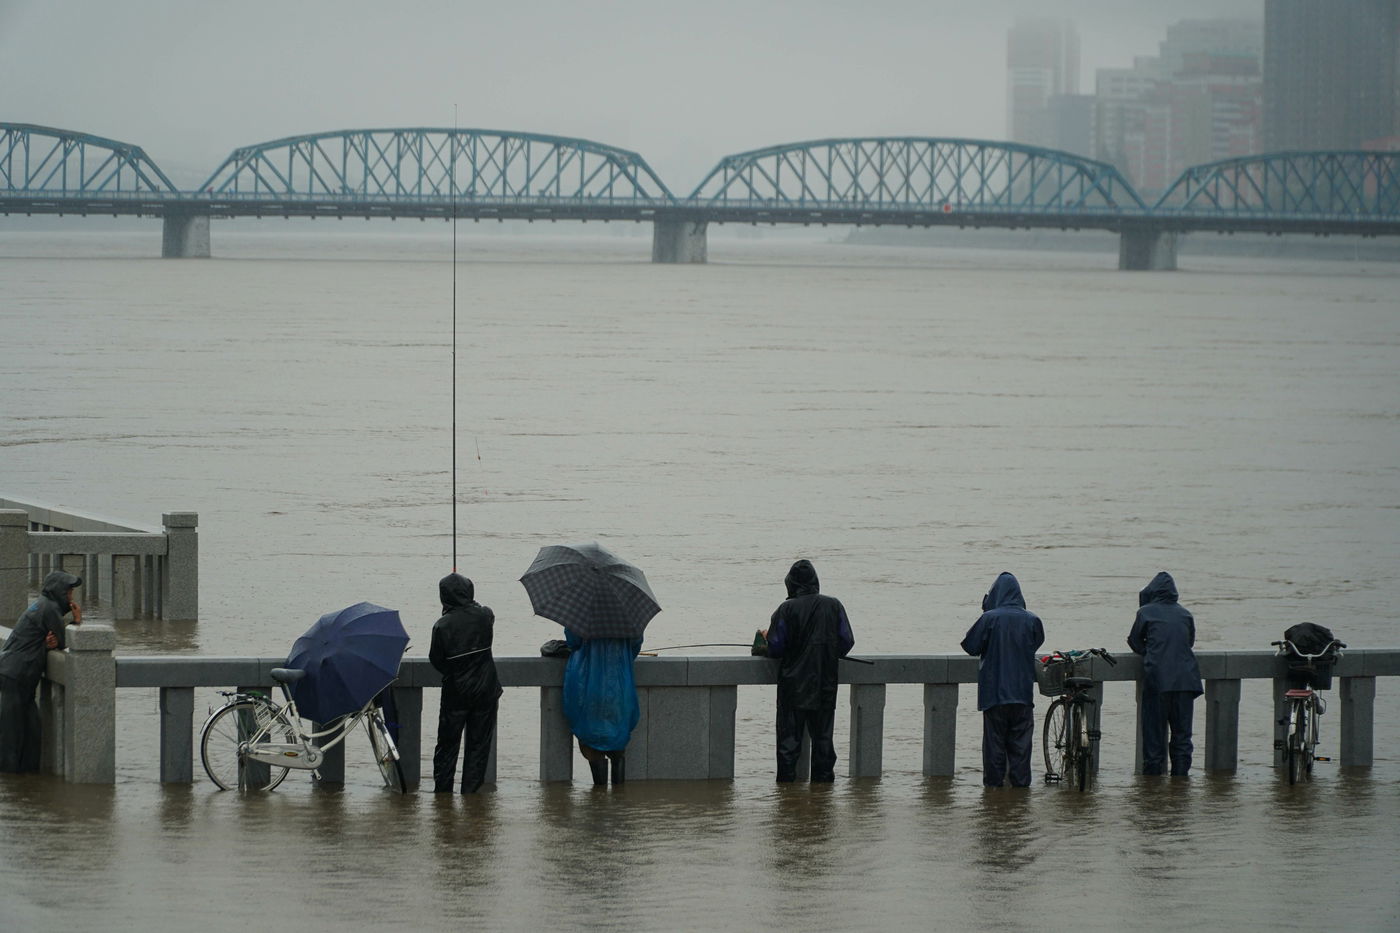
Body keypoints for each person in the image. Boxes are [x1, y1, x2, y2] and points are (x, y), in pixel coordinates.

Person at [763, 559, 854, 783]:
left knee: (788, 745)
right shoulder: (834, 605)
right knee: (823, 742)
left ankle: (786, 796)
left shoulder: (786, 609)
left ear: (790, 584)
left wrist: (766, 638)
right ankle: (822, 799)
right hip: (825, 685)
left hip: (793, 688)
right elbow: (846, 641)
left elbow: (775, 647)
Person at [961, 571, 1044, 788]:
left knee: (994, 748)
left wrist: (986, 608)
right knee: (1021, 749)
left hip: (995, 695)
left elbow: (970, 646)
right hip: (1023, 695)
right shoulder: (1033, 620)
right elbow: (1036, 643)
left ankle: (993, 797)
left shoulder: (990, 619)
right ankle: (1020, 797)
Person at [0, 570, 82, 773]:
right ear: (58, 591)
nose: (71, 597)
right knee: (12, 734)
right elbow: (65, 642)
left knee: (32, 731)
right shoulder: (49, 608)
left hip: (16, 673)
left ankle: (28, 785)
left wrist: (44, 645)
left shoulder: (43, 605)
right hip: (16, 675)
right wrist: (77, 621)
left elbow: (41, 639)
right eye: (69, 592)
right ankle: (9, 780)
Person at [428, 573, 502, 793]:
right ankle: (470, 794)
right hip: (486, 691)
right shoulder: (485, 616)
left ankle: (443, 796)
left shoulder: (442, 625)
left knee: (447, 746)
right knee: (478, 746)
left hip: (456, 693)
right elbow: (484, 610)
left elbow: (437, 659)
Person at [1127, 571, 1202, 777]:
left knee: (1153, 739)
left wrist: (1149, 652)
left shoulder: (1146, 613)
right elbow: (1189, 643)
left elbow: (1134, 641)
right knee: (1182, 738)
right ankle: (1180, 784)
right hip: (1187, 682)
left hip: (1158, 682)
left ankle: (1152, 792)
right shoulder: (1185, 614)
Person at [563, 628, 642, 786]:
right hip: (620, 687)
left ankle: (599, 798)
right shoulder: (627, 618)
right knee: (618, 746)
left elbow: (573, 642)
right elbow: (635, 645)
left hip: (588, 686)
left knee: (592, 744)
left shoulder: (582, 613)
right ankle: (618, 798)